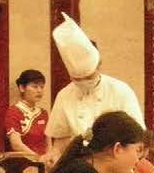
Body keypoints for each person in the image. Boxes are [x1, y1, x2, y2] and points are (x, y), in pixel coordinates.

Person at [44, 14, 144, 157]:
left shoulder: (120, 91)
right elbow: (61, 140)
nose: (84, 82)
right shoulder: (64, 95)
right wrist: (53, 154)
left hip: (115, 170)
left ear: (99, 65)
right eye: (77, 79)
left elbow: (137, 138)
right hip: (78, 169)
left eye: (89, 77)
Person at [3, 69, 48, 157]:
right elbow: (16, 144)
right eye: (35, 87)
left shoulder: (44, 113)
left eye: (42, 87)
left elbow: (48, 143)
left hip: (44, 161)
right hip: (24, 162)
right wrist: (37, 158)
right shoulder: (13, 112)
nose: (39, 90)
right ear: (22, 88)